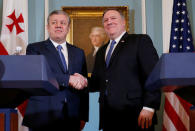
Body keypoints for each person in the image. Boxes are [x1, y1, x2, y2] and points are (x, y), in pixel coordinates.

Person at [90, 8, 161, 131]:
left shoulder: (139, 41)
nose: (109, 22)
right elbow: (96, 82)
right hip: (109, 117)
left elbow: (153, 76)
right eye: (106, 20)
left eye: (113, 18)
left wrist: (149, 106)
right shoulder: (102, 51)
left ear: (124, 23)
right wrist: (76, 80)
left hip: (136, 115)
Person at [23, 10, 89, 131]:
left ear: (68, 28)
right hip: (42, 115)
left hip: (72, 117)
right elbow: (36, 74)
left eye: (63, 23)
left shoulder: (79, 52)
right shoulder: (34, 48)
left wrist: (84, 116)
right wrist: (68, 79)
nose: (58, 25)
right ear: (48, 27)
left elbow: (83, 87)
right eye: (54, 22)